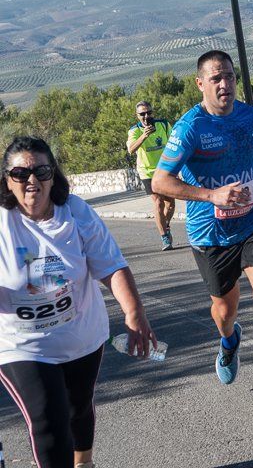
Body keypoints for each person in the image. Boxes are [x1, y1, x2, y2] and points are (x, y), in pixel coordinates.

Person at [152, 50, 253, 417]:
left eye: (230, 77)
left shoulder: (252, 118)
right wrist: (210, 194)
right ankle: (228, 339)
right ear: (200, 83)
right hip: (210, 232)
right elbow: (160, 180)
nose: (225, 85)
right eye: (217, 78)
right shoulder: (190, 127)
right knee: (225, 309)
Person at [0, 136, 156, 468]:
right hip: (19, 343)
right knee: (48, 420)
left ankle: (83, 463)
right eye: (20, 173)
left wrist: (134, 313)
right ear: (7, 180)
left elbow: (112, 266)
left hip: (80, 334)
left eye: (41, 171)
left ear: (53, 175)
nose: (32, 181)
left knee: (77, 407)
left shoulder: (74, 212)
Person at [126, 101, 176, 250]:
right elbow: (131, 150)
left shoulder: (164, 125)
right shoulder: (134, 131)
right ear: (137, 116)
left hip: (165, 169)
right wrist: (144, 136)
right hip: (147, 171)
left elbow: (175, 143)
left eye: (149, 113)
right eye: (142, 114)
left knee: (170, 204)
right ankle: (164, 238)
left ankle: (165, 226)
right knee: (158, 202)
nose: (146, 116)